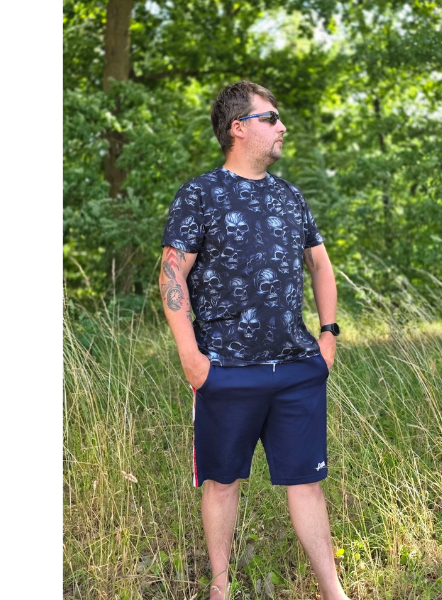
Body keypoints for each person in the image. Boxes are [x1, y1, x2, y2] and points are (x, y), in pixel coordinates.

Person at [159, 80, 346, 600]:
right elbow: (171, 274)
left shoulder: (289, 195)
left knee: (307, 483)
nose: (282, 126)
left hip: (296, 368)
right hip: (225, 369)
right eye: (271, 118)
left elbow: (321, 265)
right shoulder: (200, 193)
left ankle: (333, 591)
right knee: (222, 482)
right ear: (239, 127)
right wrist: (191, 356)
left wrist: (328, 336)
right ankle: (220, 589)